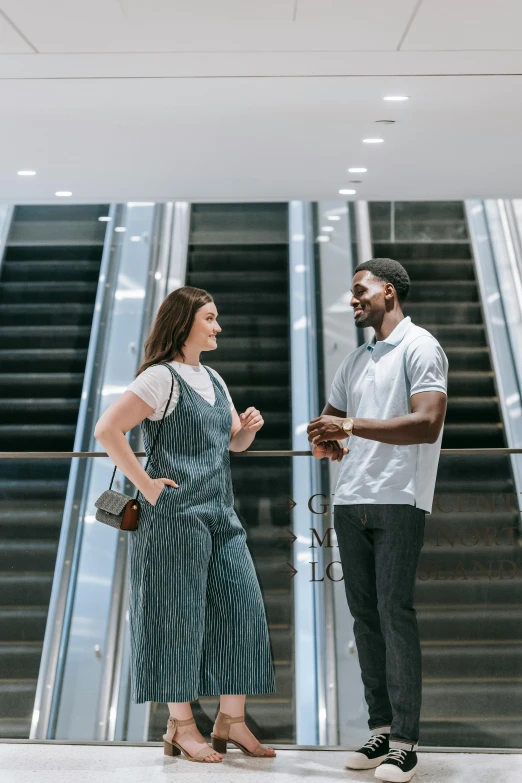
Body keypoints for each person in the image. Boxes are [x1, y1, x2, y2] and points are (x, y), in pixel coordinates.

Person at [94, 285, 278, 763]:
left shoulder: (214, 379)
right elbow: (108, 430)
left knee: (243, 608)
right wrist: (147, 484)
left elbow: (231, 444)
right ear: (185, 322)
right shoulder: (160, 379)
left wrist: (248, 432)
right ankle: (180, 725)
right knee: (176, 618)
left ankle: (231, 720)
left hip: (220, 513)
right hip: (173, 518)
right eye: (211, 318)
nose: (218, 327)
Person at [307, 259, 448, 783]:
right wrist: (327, 437)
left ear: (388, 292)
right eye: (351, 292)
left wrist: (350, 424)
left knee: (394, 613)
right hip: (351, 500)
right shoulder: (357, 359)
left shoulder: (421, 347)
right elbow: (331, 420)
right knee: (365, 620)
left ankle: (406, 742)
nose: (353, 300)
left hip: (399, 498)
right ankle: (382, 729)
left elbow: (427, 423)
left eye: (360, 290)